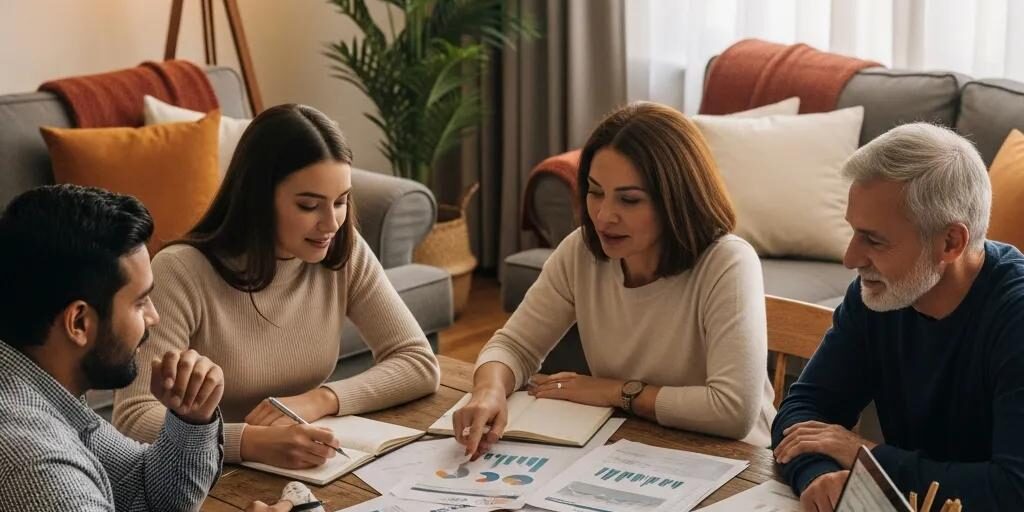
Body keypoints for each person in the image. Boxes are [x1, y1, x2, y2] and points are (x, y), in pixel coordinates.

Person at [113, 104, 440, 469]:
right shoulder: (181, 271)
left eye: (341, 201)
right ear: (258, 198)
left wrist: (319, 400)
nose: (330, 223)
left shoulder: (341, 250)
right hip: (201, 476)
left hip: (304, 464)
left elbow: (418, 363)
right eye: (308, 205)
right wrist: (249, 442)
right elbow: (133, 418)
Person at [455, 101, 776, 457]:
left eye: (629, 200)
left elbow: (732, 411)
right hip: (634, 446)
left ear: (675, 200)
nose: (604, 216)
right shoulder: (581, 252)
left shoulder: (727, 262)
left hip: (737, 462)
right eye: (595, 192)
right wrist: (488, 390)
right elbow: (514, 346)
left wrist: (616, 391)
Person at [772, 123, 1024, 511]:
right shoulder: (879, 293)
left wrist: (865, 457)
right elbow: (801, 414)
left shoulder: (1015, 318)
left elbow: (1011, 491)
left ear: (950, 242)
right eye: (854, 232)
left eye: (873, 239)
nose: (850, 259)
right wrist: (820, 476)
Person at [0, 184, 224, 510]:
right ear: (78, 323)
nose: (154, 317)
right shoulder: (37, 466)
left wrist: (191, 419)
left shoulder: (43, 389)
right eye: (140, 302)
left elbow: (144, 491)